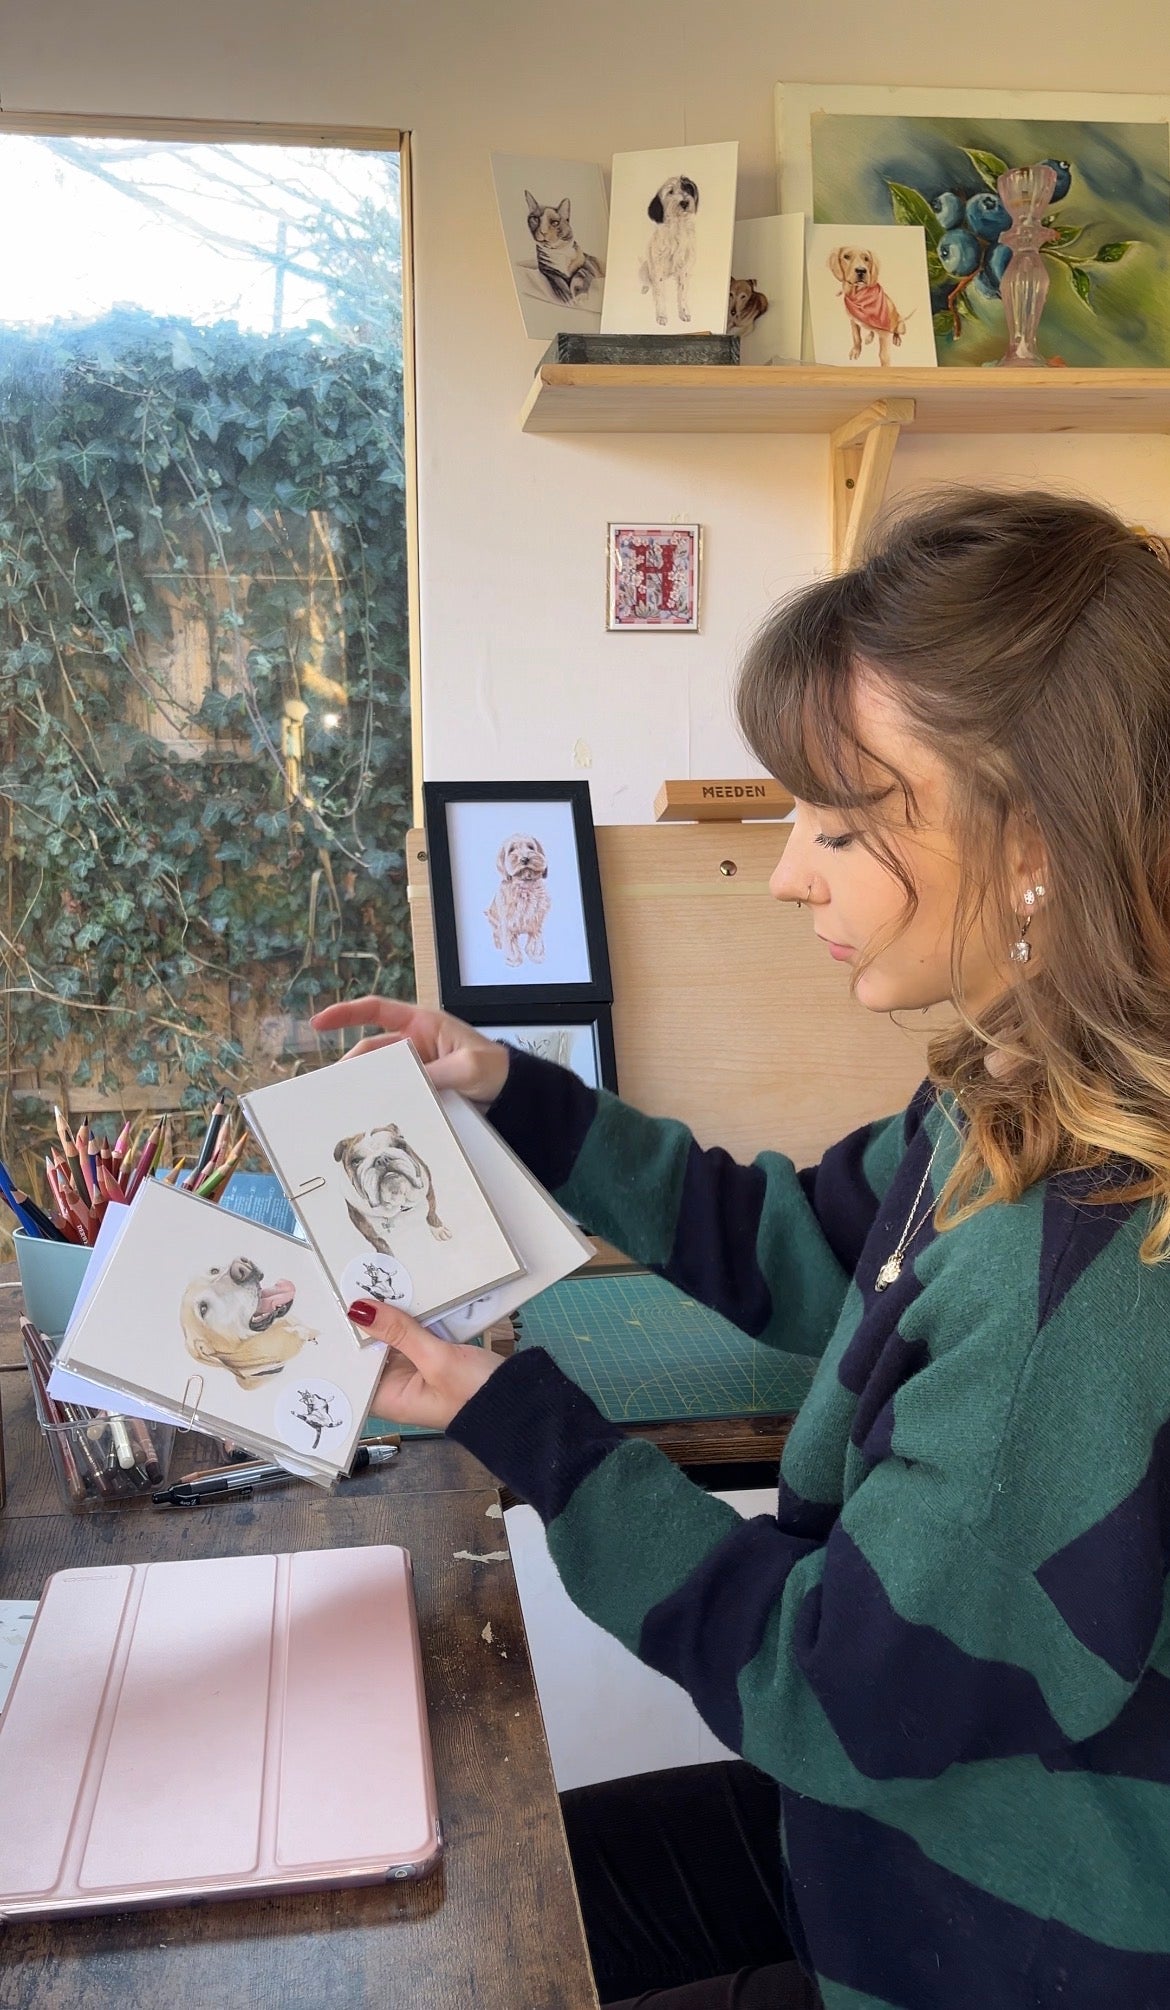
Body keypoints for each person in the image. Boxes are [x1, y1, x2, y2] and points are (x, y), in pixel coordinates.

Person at [312, 491, 1170, 2010]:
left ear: (1035, 836)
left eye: (838, 823)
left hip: (1000, 1943)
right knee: (466, 1901)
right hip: (887, 1839)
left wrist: (531, 1429)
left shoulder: (1078, 1268)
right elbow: (803, 1249)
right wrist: (514, 1093)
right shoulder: (1003, 1098)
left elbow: (832, 1691)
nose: (785, 873)